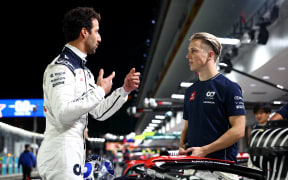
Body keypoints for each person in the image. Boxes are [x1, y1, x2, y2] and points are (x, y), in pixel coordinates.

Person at [37, 7, 140, 179]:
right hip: (60, 155)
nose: (99, 38)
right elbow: (63, 113)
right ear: (84, 32)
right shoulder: (60, 68)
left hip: (74, 151)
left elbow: (99, 112)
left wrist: (124, 90)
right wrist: (100, 91)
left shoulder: (84, 72)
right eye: (97, 32)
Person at [179, 32, 246, 162]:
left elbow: (239, 130)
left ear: (210, 55)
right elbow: (187, 127)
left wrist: (205, 150)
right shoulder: (190, 92)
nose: (188, 56)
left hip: (220, 168)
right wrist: (182, 146)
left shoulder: (229, 88)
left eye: (194, 51)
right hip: (192, 166)